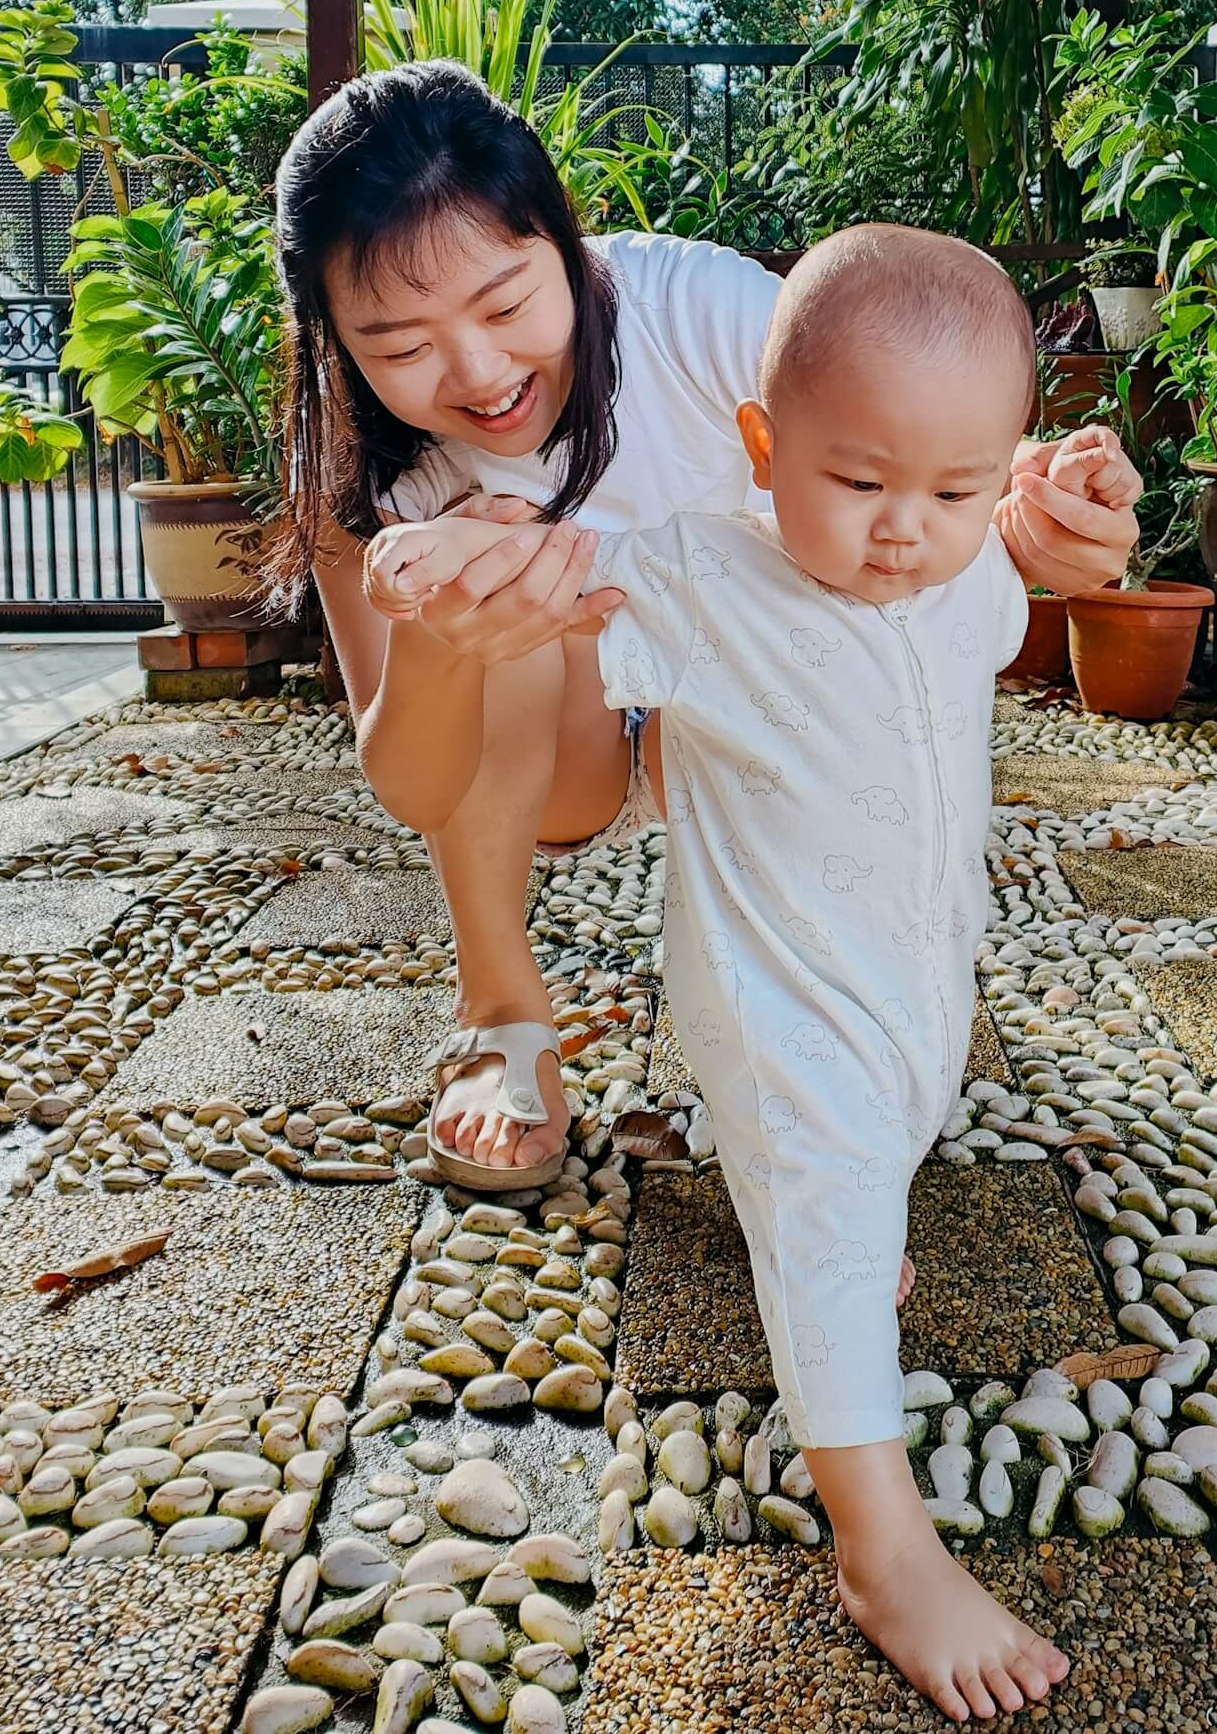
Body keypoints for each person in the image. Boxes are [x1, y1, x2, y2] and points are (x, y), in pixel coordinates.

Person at [364, 225, 1075, 1724]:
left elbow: (1006, 572)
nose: (902, 529)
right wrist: (450, 563)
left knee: (889, 1131)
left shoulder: (966, 578)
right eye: (858, 482)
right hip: (772, 998)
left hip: (919, 978)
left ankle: (830, 1206)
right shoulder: (701, 575)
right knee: (823, 1183)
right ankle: (883, 1551)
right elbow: (562, 565)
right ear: (763, 448)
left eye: (953, 488)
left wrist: (1046, 511)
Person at [274, 61, 1142, 1189]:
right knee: (500, 576)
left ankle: (852, 1011)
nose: (480, 371)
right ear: (336, 339)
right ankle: (500, 1005)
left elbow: (898, 408)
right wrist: (449, 633)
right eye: (401, 345)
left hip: (761, 713)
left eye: (504, 303)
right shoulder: (353, 465)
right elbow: (409, 777)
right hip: (569, 759)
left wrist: (1041, 492)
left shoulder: (680, 307)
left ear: (565, 245)